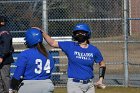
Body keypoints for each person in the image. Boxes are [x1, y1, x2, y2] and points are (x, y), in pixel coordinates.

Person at [37, 23, 106, 93]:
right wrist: (42, 32)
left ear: (87, 33)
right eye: (77, 33)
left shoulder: (93, 49)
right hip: (74, 84)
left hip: (89, 85)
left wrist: (100, 79)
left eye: (82, 32)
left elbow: (102, 64)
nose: (80, 34)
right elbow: (53, 43)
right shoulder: (70, 46)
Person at [9, 28, 55, 93]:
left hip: (29, 86)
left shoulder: (25, 54)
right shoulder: (48, 54)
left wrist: (12, 87)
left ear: (29, 40)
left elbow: (17, 74)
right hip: (47, 85)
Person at [0, 16, 14, 93]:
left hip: (4, 58)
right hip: (3, 57)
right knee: (2, 78)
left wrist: (2, 56)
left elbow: (6, 43)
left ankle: (9, 91)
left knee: (5, 77)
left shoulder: (3, 30)